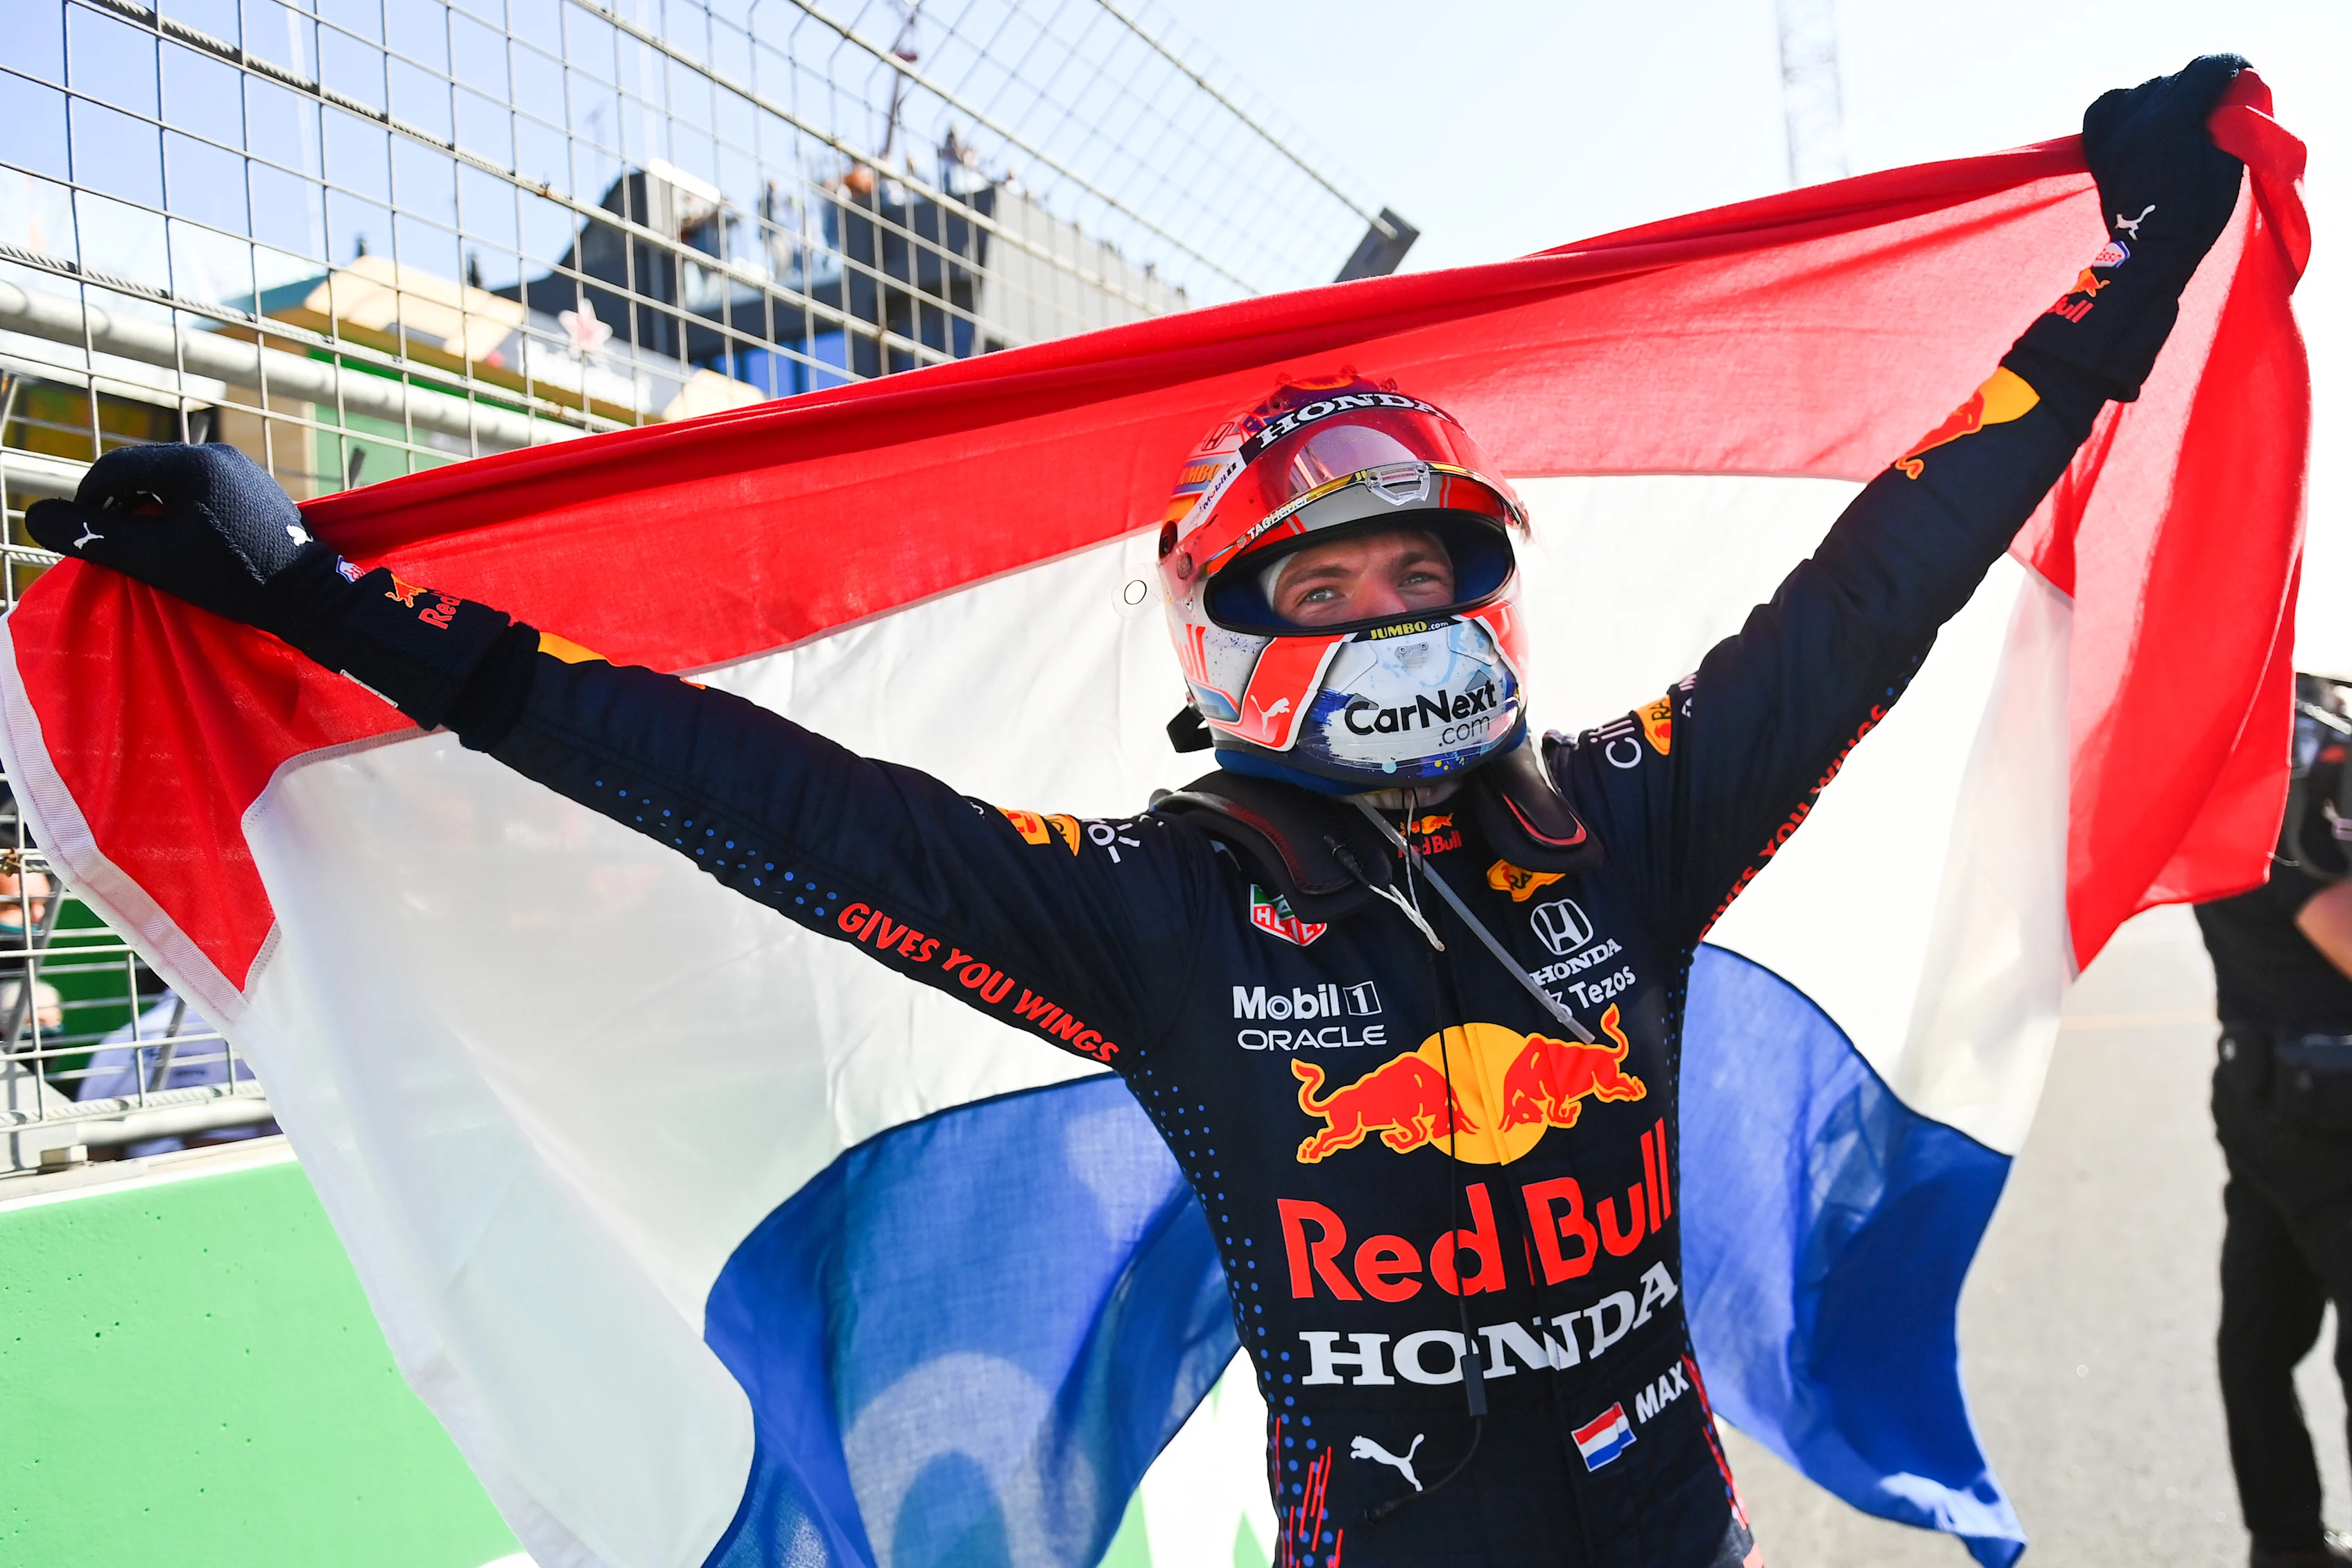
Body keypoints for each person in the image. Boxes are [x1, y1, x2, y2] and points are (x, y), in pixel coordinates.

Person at [28, 58, 2251, 1568]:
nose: (1391, 607)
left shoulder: (1630, 816)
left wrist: (2136, 264)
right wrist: (339, 607)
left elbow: (1901, 556)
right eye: (1327, 577)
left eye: (1428, 565)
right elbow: (753, 791)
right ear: (1226, 623)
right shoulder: (1161, 905)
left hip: (1676, 1524)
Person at [2195, 674, 2352, 1568]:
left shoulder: (2254, 729)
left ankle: (2286, 1544)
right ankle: (2288, 1543)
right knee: (2259, 1345)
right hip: (2319, 1118)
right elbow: (2338, 925)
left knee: (2255, 1345)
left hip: (2265, 1101)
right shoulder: (2288, 756)